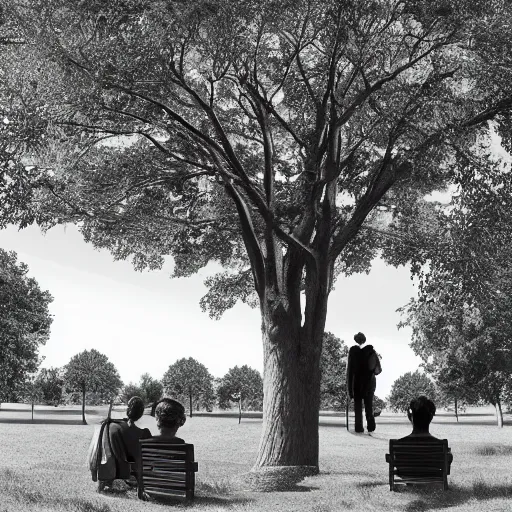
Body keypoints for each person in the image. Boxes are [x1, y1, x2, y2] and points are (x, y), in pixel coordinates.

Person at [97, 396, 152, 493]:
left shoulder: (114, 428)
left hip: (122, 468)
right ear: (141, 413)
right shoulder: (144, 433)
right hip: (137, 470)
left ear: (128, 410)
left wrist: (111, 420)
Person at [399, 396, 453, 472]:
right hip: (433, 481)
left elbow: (399, 469)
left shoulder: (398, 445)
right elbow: (446, 471)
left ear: (411, 417)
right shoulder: (441, 446)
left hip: (407, 478)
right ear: (430, 418)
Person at [346, 332, 382, 433]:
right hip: (369, 383)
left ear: (355, 340)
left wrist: (349, 389)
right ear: (364, 339)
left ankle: (359, 427)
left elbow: (349, 371)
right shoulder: (371, 351)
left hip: (357, 382)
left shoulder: (353, 352)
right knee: (369, 405)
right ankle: (371, 426)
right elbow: (378, 370)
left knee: (358, 407)